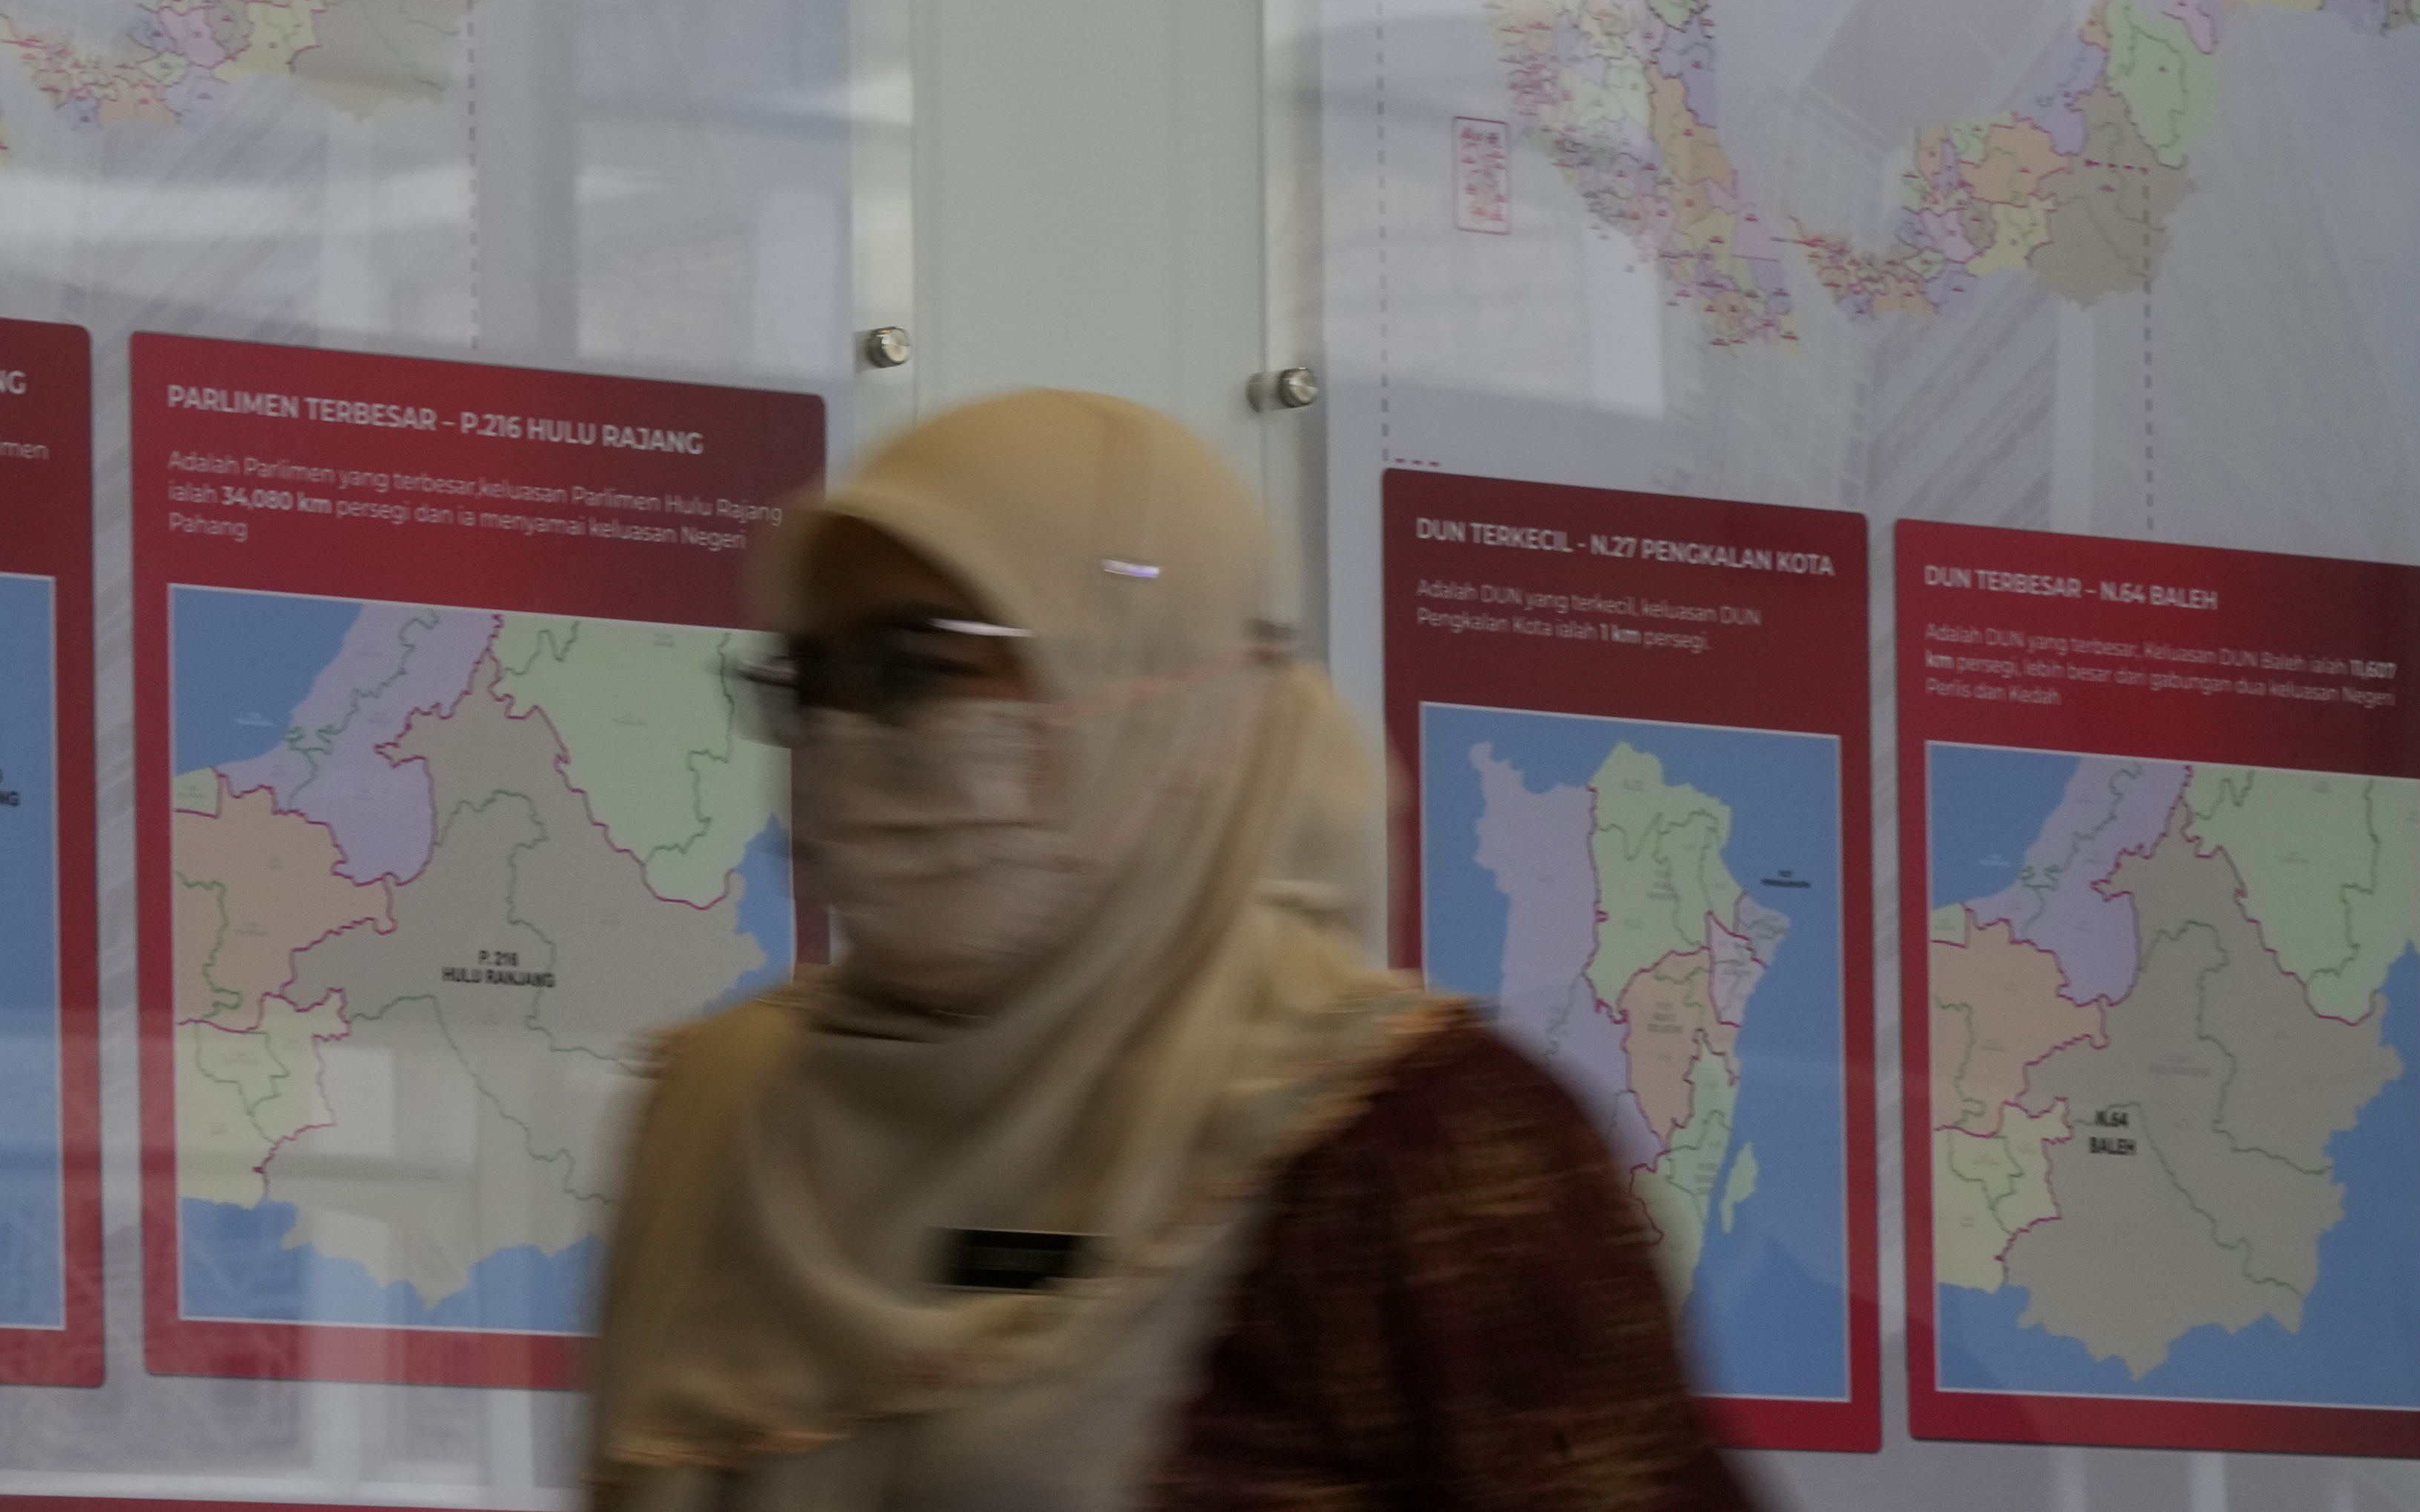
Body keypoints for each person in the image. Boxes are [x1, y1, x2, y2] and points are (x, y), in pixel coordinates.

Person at [588, 389, 1755, 1511]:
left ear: (1151, 697)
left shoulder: (1412, 1145)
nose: (841, 734)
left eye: (916, 665)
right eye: (808, 682)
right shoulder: (718, 1112)